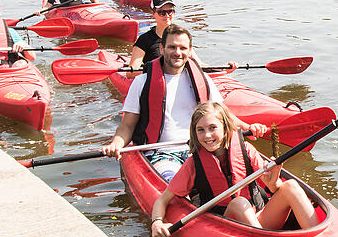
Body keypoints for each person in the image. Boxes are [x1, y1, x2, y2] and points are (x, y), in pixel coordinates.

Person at [102, 24, 265, 180]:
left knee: (236, 177)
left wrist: (247, 127)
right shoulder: (141, 82)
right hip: (162, 154)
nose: (177, 52)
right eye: (172, 47)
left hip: (202, 148)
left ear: (190, 51)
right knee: (176, 187)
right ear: (161, 49)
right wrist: (116, 143)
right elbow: (127, 125)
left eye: (183, 48)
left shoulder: (202, 79)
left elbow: (222, 114)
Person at [148, 101, 320, 237]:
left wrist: (274, 181)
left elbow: (274, 188)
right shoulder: (193, 164)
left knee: (291, 186)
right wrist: (157, 223)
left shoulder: (246, 149)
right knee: (239, 203)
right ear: (195, 133)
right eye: (200, 130)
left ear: (225, 127)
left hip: (259, 218)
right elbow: (162, 200)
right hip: (228, 225)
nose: (207, 135)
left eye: (212, 128)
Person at [129, 0, 177, 68]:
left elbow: (197, 62)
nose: (167, 15)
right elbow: (130, 73)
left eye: (170, 11)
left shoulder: (181, 36)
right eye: (162, 12)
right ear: (153, 14)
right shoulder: (144, 40)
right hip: (155, 78)